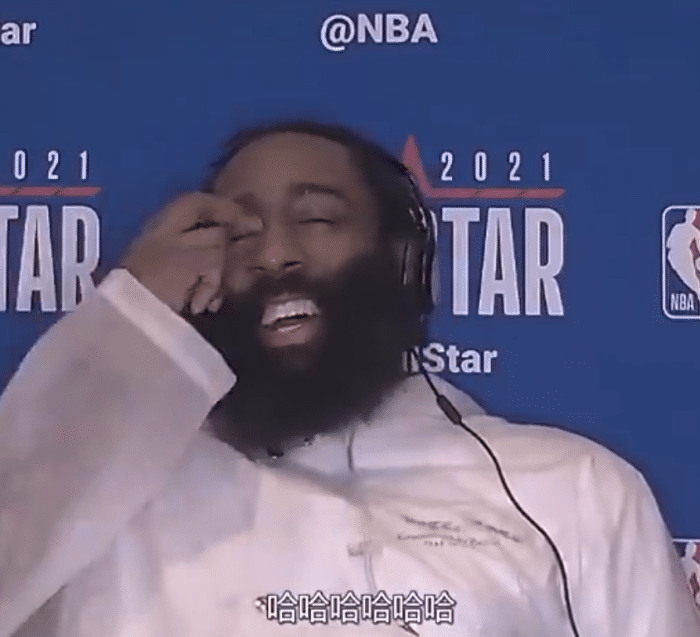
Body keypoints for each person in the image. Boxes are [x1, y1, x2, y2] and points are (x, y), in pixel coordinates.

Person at [1, 121, 698, 637]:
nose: (275, 252)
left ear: (400, 257)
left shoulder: (574, 491)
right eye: (239, 233)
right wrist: (126, 326)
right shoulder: (106, 498)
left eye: (317, 219)